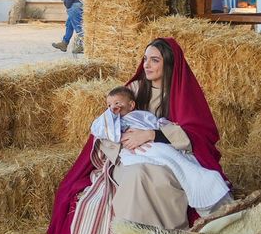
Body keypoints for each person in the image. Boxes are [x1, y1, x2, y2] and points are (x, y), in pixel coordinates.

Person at [49, 38, 229, 234]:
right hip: (129, 155)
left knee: (153, 177)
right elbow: (108, 125)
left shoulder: (182, 94)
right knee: (136, 174)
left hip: (170, 156)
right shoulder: (133, 90)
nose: (147, 65)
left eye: (155, 60)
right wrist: (124, 144)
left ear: (169, 64)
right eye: (145, 59)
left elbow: (199, 135)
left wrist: (152, 135)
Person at [92, 86, 231, 214]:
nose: (113, 108)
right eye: (109, 105)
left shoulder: (142, 115)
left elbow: (157, 123)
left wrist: (153, 132)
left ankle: (205, 183)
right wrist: (113, 120)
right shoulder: (115, 121)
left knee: (176, 160)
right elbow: (99, 129)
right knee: (161, 164)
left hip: (155, 144)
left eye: (117, 103)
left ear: (131, 105)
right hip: (137, 150)